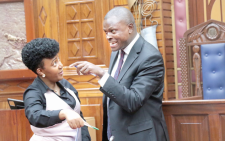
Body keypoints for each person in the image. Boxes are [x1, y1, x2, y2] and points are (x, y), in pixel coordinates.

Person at [70, 7, 169, 141]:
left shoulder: (150, 57)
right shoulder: (116, 52)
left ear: (129, 28)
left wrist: (102, 74)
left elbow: (133, 101)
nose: (108, 37)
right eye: (106, 32)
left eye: (113, 31)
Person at [21, 38, 91, 141]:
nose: (61, 65)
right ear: (40, 71)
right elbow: (35, 116)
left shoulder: (65, 84)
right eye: (54, 63)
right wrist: (63, 113)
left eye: (58, 59)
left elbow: (79, 116)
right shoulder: (33, 92)